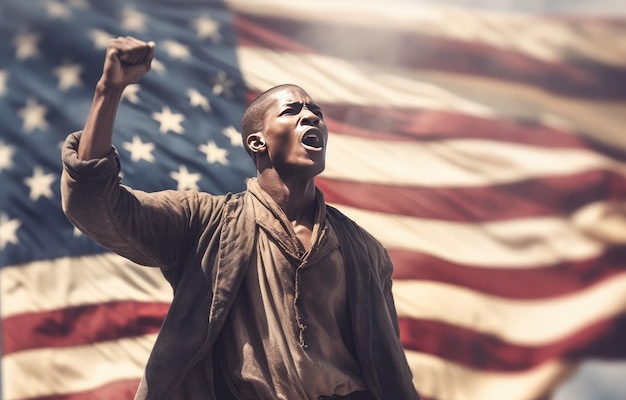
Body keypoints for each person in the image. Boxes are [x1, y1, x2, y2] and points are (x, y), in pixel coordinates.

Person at [61, 36, 420, 400]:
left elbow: (389, 366)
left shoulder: (364, 250)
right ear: (257, 143)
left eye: (316, 113)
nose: (310, 116)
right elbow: (95, 204)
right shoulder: (205, 223)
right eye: (291, 111)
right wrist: (109, 90)